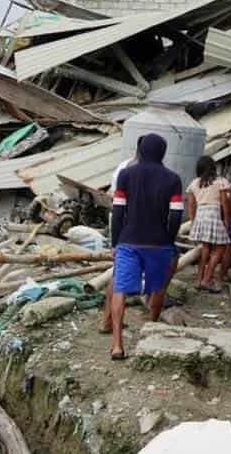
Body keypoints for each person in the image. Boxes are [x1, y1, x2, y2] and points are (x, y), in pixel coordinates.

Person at [109, 134, 184, 360]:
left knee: (120, 289)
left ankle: (117, 346)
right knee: (158, 288)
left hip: (129, 241)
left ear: (140, 150)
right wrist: (169, 239)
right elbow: (176, 214)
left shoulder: (126, 175)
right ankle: (150, 332)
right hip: (159, 243)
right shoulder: (173, 179)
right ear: (163, 152)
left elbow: (118, 211)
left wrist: (115, 242)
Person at [100, 136, 143, 334]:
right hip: (129, 225)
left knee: (118, 272)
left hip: (120, 222)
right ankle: (108, 323)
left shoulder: (123, 166)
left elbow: (110, 193)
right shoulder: (136, 170)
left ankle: (107, 320)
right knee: (120, 276)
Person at [186, 155, 231, 293]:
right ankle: (207, 278)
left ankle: (199, 280)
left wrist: (193, 220)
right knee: (221, 248)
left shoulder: (194, 183)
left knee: (205, 247)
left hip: (200, 215)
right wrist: (227, 221)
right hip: (213, 215)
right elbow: (224, 203)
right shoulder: (220, 181)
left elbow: (191, 204)